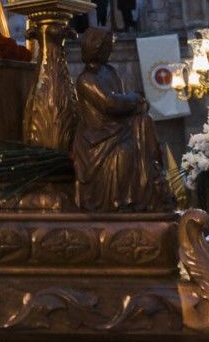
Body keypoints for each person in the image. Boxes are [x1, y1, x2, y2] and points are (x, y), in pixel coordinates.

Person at [70, 28, 170, 211]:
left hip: (118, 125)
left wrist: (137, 104)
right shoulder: (86, 79)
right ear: (96, 48)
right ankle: (122, 201)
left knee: (145, 121)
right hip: (98, 135)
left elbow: (121, 98)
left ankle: (153, 174)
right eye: (107, 46)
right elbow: (109, 103)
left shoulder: (109, 71)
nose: (111, 49)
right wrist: (135, 99)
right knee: (125, 151)